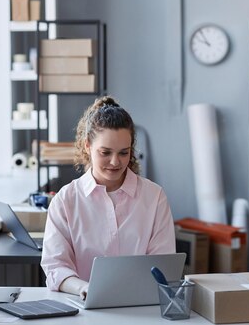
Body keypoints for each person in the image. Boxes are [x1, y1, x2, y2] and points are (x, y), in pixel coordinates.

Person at [41, 96, 176, 299]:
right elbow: (55, 267)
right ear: (87, 146)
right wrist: (84, 288)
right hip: (83, 307)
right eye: (105, 152)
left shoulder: (154, 197)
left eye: (124, 153)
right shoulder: (66, 200)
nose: (115, 162)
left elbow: (163, 264)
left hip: (140, 305)